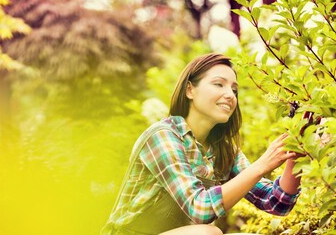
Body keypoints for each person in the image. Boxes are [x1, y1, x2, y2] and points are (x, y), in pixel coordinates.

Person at [101, 53, 301, 235]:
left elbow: (276, 203)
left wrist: (295, 152)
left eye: (234, 90)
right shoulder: (162, 136)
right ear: (190, 90)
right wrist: (262, 164)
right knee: (209, 233)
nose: (231, 95)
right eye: (218, 84)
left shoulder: (223, 150)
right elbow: (200, 209)